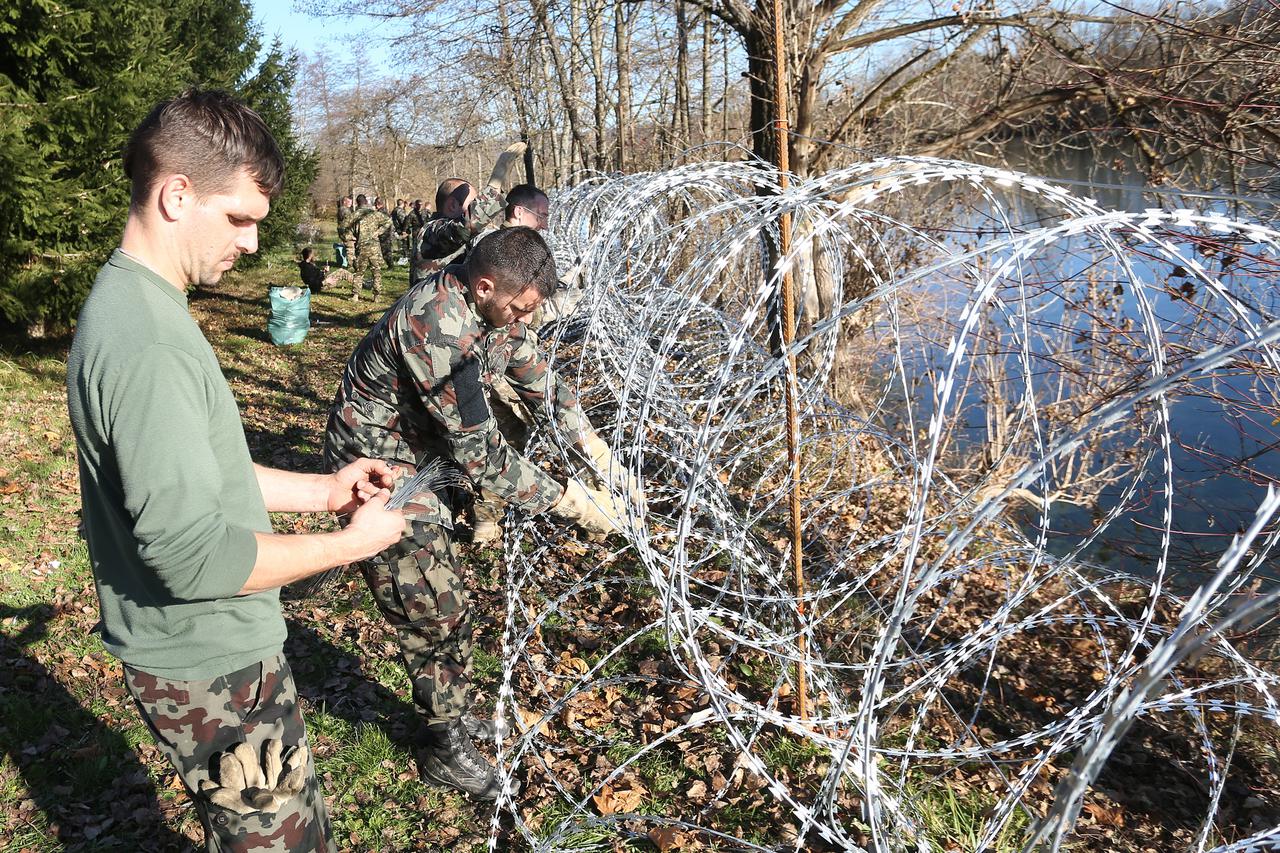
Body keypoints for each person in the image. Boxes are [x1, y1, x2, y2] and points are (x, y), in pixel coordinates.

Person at [65, 89, 407, 852]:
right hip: (209, 668)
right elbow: (195, 555)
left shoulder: (145, 307)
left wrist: (323, 492)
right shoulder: (145, 342)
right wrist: (351, 543)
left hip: (215, 655)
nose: (253, 244)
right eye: (241, 218)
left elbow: (208, 472)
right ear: (177, 194)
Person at [323, 226, 634, 800]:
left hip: (421, 451)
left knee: (450, 603)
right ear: (485, 285)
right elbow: (482, 456)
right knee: (433, 607)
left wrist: (595, 449)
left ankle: (451, 712)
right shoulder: (438, 328)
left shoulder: (498, 308)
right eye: (517, 307)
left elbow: (535, 375)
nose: (521, 318)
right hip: (377, 465)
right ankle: (442, 745)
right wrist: (571, 502)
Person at [349, 193, 392, 302]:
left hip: (361, 246)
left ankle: (355, 295)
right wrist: (378, 232)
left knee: (359, 272)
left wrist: (352, 237)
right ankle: (376, 296)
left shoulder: (354, 215)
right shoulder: (374, 214)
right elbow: (388, 221)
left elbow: (344, 229)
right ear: (366, 202)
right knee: (376, 272)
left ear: (356, 203)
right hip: (374, 248)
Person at [336, 196, 354, 268]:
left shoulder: (342, 209)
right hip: (346, 232)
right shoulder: (345, 210)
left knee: (347, 248)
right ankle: (351, 266)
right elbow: (350, 221)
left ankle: (346, 263)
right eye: (349, 202)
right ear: (344, 202)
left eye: (351, 202)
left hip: (343, 231)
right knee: (350, 248)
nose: (351, 204)